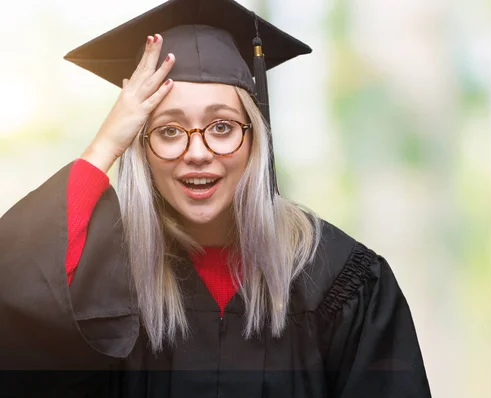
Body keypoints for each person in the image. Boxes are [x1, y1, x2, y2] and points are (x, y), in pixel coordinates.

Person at [0, 0, 431, 396]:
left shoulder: (338, 279)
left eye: (222, 126)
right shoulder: (112, 280)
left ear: (254, 139)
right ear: (141, 148)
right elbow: (20, 298)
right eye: (168, 131)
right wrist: (105, 145)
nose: (198, 152)